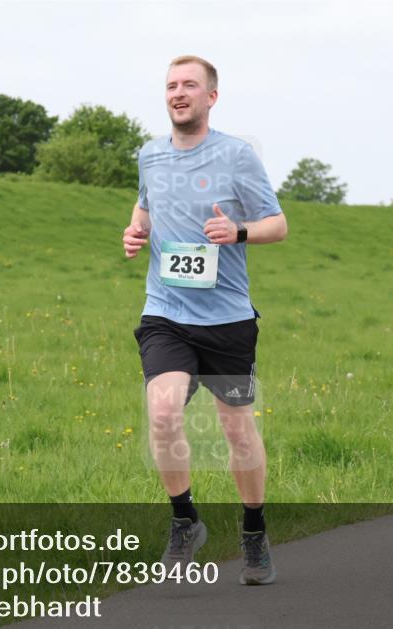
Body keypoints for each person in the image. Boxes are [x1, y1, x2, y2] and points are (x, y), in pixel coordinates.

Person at [122, 55, 287, 584]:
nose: (178, 92)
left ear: (210, 97)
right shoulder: (149, 155)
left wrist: (238, 233)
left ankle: (255, 532)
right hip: (166, 312)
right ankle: (184, 521)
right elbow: (144, 209)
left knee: (236, 429)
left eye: (190, 85)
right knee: (164, 411)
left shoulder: (237, 155)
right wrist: (135, 233)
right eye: (171, 85)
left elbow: (277, 225)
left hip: (227, 319)